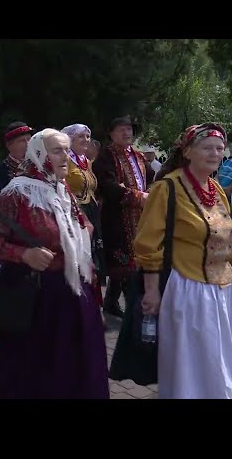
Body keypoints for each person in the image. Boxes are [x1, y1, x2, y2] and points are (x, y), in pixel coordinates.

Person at [0, 128, 109, 399]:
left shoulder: (61, 188)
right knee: (44, 372)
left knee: (79, 367)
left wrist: (83, 232)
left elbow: (82, 220)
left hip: (74, 292)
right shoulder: (17, 193)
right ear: (39, 154)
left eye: (66, 150)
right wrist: (23, 254)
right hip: (40, 299)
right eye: (57, 150)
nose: (66, 156)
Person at [135, 123, 232, 398]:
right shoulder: (167, 188)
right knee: (196, 367)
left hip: (225, 291)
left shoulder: (216, 189)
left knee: (225, 363)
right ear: (187, 151)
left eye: (220, 148)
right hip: (188, 289)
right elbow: (149, 243)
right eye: (207, 148)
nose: (215, 153)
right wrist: (151, 291)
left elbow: (229, 238)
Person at [93, 116, 154, 319]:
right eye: (120, 129)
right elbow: (109, 187)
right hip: (117, 218)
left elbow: (152, 179)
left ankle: (111, 303)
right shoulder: (106, 157)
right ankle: (134, 312)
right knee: (125, 264)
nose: (126, 133)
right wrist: (138, 196)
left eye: (128, 129)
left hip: (140, 217)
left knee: (132, 263)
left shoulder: (138, 156)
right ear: (111, 134)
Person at [61, 123, 106, 287]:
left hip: (91, 210)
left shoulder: (86, 162)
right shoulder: (64, 160)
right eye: (81, 136)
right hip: (74, 210)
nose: (86, 140)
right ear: (70, 139)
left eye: (87, 136)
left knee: (94, 252)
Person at [0, 121, 35, 189]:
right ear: (9, 146)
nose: (28, 144)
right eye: (22, 141)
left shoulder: (38, 166)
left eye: (29, 139)